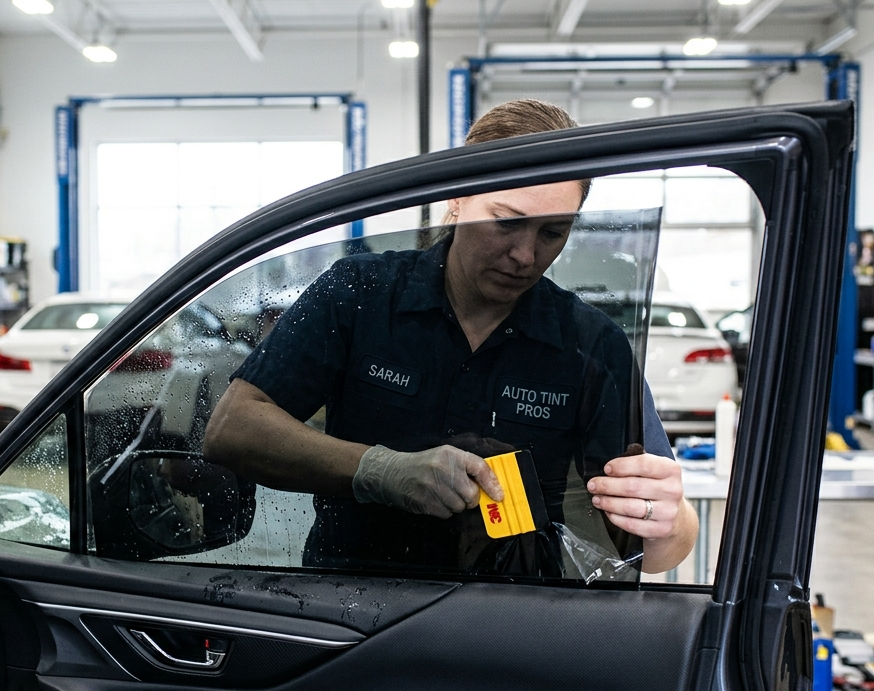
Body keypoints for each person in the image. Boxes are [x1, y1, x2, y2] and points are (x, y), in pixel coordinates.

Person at [204, 99, 697, 575]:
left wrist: (665, 522)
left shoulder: (593, 346)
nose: (525, 254)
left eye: (552, 233)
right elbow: (232, 429)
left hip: (513, 624)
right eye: (507, 222)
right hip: (351, 611)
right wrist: (378, 470)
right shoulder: (359, 295)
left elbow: (658, 550)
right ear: (458, 198)